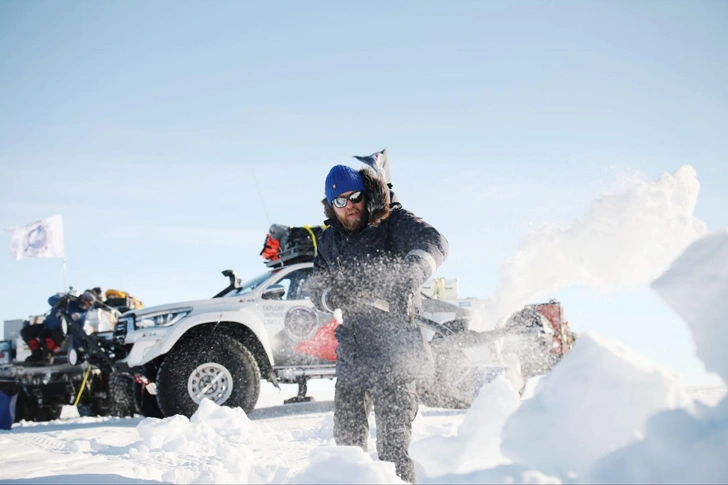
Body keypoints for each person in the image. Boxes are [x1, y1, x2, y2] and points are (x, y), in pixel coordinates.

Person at [309, 164, 448, 483]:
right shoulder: (329, 241)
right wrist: (333, 295)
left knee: (393, 451)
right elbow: (316, 286)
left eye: (355, 197)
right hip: (353, 358)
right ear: (331, 206)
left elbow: (435, 242)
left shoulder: (393, 221)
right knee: (347, 451)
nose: (350, 206)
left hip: (397, 357)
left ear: (366, 194)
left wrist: (409, 276)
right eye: (340, 202)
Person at [20, 290, 96, 364]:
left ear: (90, 304)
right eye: (85, 299)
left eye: (88, 301)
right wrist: (61, 297)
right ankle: (36, 353)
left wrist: (76, 350)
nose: (85, 302)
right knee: (26, 332)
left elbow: (78, 331)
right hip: (46, 326)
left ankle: (48, 354)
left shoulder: (82, 314)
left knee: (57, 339)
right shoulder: (68, 301)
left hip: (59, 333)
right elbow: (50, 300)